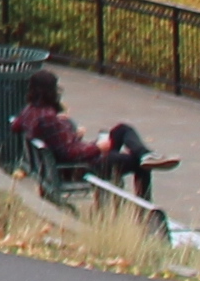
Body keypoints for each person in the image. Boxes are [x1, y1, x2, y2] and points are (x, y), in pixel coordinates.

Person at [10, 64, 164, 198]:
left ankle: (146, 154)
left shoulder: (29, 111)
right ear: (50, 92)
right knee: (137, 163)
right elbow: (69, 153)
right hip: (82, 168)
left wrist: (66, 127)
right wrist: (98, 147)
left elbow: (15, 125)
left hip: (69, 165)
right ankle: (145, 212)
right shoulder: (48, 118)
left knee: (122, 130)